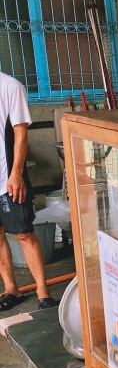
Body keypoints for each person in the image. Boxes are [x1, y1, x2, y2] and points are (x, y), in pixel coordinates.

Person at [0, 71, 55, 311]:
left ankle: (42, 290)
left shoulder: (11, 86)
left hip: (7, 178)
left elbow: (21, 134)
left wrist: (16, 174)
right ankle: (11, 288)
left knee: (23, 234)